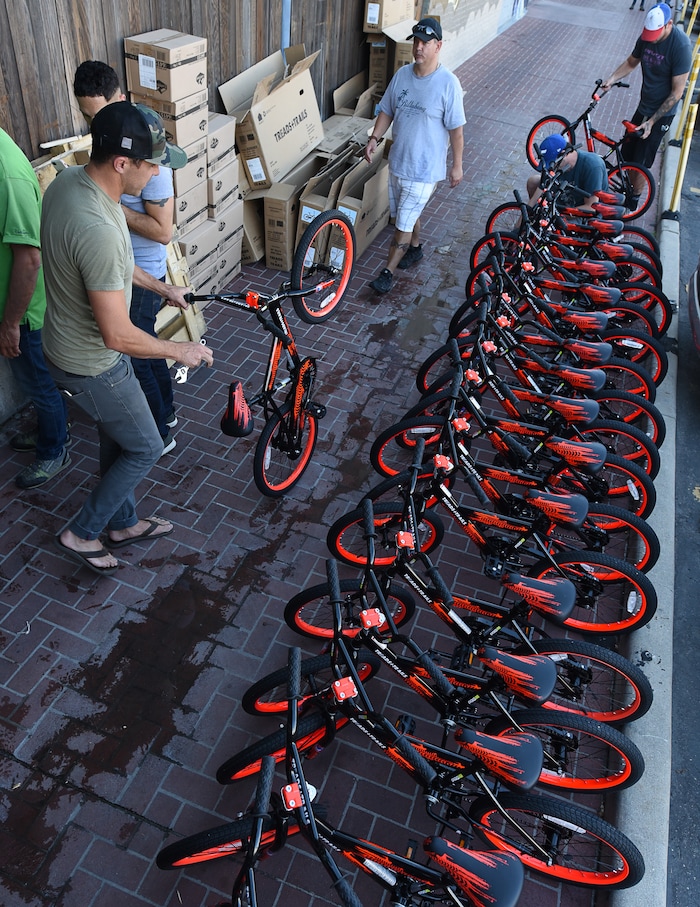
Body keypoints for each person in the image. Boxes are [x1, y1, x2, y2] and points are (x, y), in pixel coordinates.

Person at [40, 101, 213, 576]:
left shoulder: (72, 184)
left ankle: (123, 523)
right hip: (90, 363)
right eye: (152, 162)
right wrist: (181, 349)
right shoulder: (96, 225)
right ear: (122, 163)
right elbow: (117, 334)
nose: (158, 172)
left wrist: (163, 288)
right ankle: (83, 531)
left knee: (119, 435)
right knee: (146, 445)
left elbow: (108, 264)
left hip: (69, 348)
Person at [73, 60, 185, 455]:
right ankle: (165, 415)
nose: (94, 123)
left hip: (139, 273)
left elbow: (163, 231)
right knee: (147, 348)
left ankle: (158, 431)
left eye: (99, 113)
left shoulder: (143, 154)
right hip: (121, 268)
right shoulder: (110, 142)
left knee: (137, 354)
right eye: (88, 117)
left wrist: (105, 201)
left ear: (119, 99)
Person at [364, 17, 465, 296]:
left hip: (424, 169)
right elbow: (387, 110)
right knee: (406, 215)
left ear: (438, 45)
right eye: (416, 42)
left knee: (401, 224)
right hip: (398, 163)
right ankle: (416, 249)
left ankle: (387, 273)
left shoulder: (448, 84)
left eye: (425, 43)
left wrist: (457, 165)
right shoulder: (402, 76)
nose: (419, 48)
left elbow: (456, 132)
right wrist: (374, 138)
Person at [0, 127, 71, 488]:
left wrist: (11, 323)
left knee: (39, 383)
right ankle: (51, 430)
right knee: (35, 381)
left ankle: (54, 449)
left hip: (25, 312)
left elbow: (29, 259)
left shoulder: (6, 172)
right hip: (16, 310)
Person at [601, 3, 691, 200]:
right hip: (644, 105)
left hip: (662, 113)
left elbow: (677, 92)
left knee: (641, 162)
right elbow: (632, 61)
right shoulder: (646, 37)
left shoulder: (681, 46)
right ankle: (628, 190)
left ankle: (633, 201)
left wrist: (652, 121)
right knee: (628, 151)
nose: (652, 38)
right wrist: (612, 78)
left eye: (656, 33)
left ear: (668, 24)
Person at [527, 134, 609, 210]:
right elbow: (541, 188)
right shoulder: (559, 163)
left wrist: (557, 215)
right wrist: (522, 222)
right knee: (533, 182)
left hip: (581, 211)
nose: (551, 169)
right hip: (563, 199)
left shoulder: (592, 165)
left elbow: (591, 207)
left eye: (553, 165)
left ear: (563, 155)